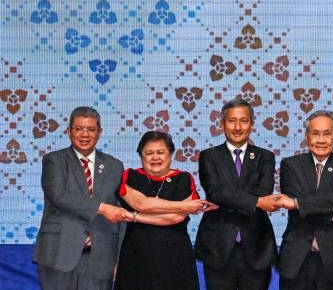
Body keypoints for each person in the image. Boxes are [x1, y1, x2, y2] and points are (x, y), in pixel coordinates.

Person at [34, 106, 131, 290]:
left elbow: (121, 216)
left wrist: (120, 258)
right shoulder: (54, 160)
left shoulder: (115, 165)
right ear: (69, 131)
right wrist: (101, 208)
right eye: (78, 129)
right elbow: (58, 195)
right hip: (59, 254)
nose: (84, 134)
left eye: (91, 129)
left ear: (99, 132)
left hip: (101, 258)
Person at [195, 97, 279, 289]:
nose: (238, 127)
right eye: (232, 121)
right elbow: (215, 192)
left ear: (252, 124)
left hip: (256, 246)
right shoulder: (209, 156)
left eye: (244, 121)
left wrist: (230, 198)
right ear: (222, 124)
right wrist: (256, 202)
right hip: (218, 246)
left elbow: (264, 191)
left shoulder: (265, 156)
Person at [116, 130, 213, 290]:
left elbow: (175, 218)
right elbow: (142, 204)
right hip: (137, 255)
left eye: (160, 152)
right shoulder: (130, 176)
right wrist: (184, 205)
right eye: (149, 153)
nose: (155, 158)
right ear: (141, 155)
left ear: (170, 154)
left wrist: (133, 216)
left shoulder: (183, 178)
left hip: (175, 257)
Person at [275, 110, 333, 290]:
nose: (321, 140)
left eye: (327, 134)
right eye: (315, 133)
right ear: (307, 137)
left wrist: (298, 203)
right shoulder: (290, 165)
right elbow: (331, 204)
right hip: (296, 257)